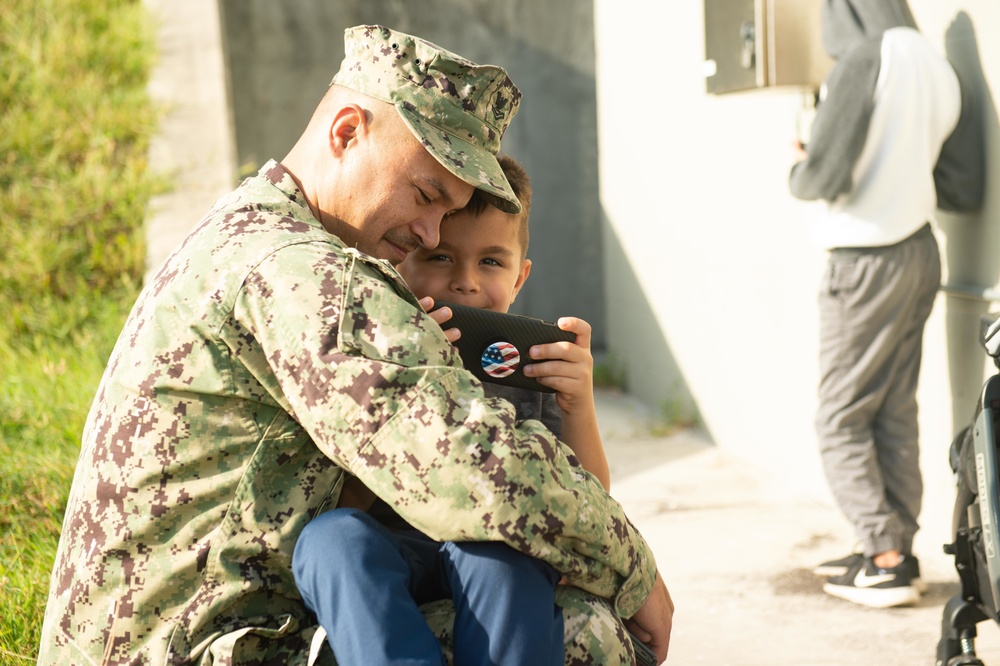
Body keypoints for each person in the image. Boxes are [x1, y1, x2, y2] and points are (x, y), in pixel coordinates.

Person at [37, 24, 673, 665]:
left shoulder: (246, 229)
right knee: (588, 633)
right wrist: (633, 569)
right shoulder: (306, 271)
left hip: (175, 634)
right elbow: (472, 466)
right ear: (346, 133)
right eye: (426, 196)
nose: (428, 234)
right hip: (202, 646)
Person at [295, 154, 614, 665]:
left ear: (519, 277)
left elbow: (590, 497)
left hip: (490, 547)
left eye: (491, 261)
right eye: (441, 257)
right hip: (392, 543)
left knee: (504, 548)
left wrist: (577, 403)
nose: (465, 281)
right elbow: (344, 502)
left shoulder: (532, 369)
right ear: (400, 264)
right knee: (329, 540)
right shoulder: (372, 353)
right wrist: (408, 363)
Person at [788, 0, 964, 608]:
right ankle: (895, 549)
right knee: (892, 407)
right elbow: (961, 185)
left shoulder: (863, 59)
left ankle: (884, 559)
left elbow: (821, 178)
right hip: (919, 252)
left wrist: (801, 161)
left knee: (839, 416)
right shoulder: (936, 64)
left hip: (863, 259)